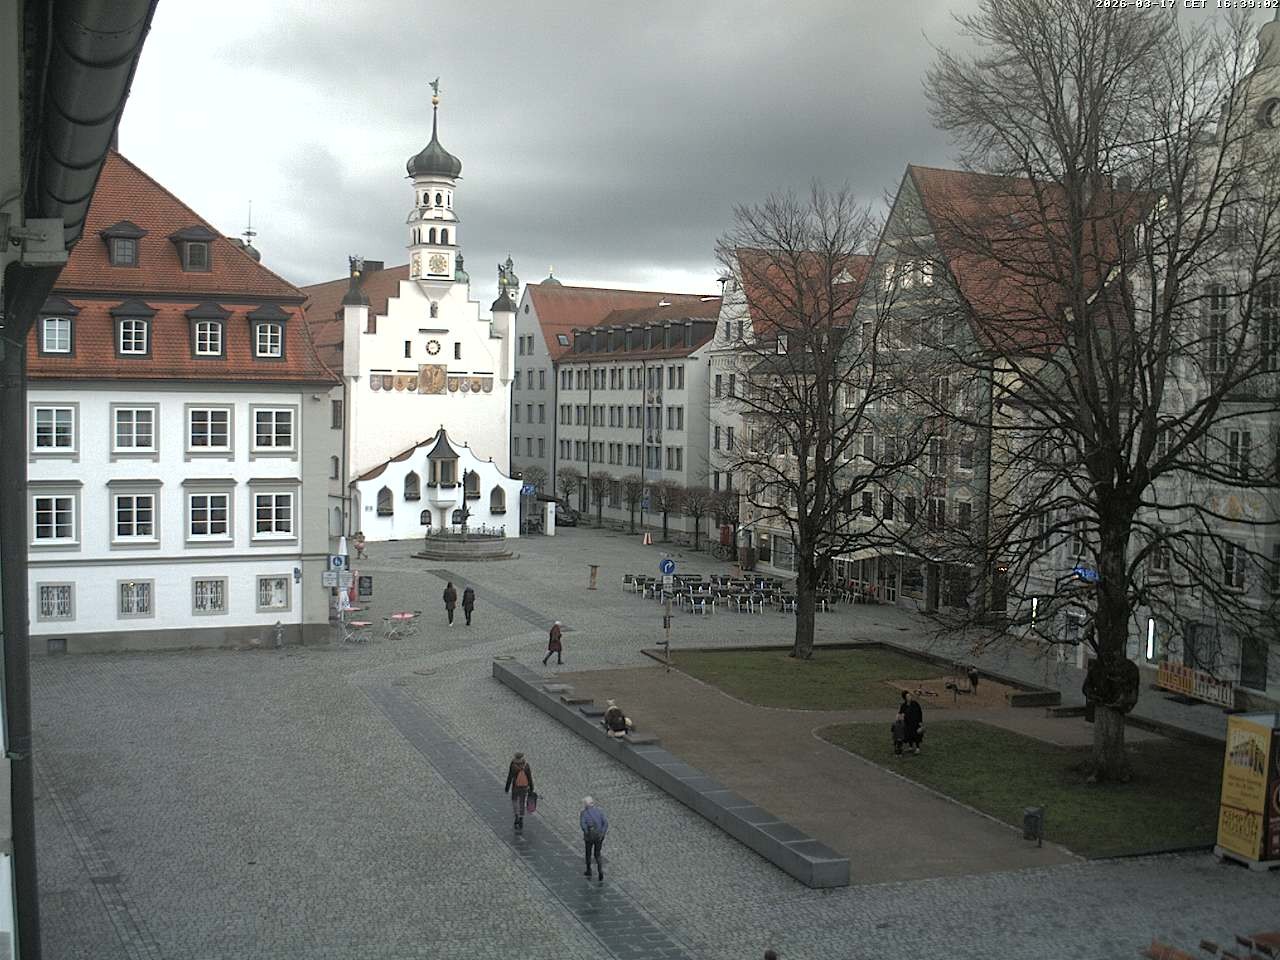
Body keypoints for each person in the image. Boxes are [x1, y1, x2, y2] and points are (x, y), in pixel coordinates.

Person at [504, 752, 534, 830]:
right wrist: (531, 787)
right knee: (522, 802)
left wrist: (507, 787)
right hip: (524, 787)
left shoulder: (513, 765)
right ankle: (521, 818)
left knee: (514, 801)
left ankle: (516, 816)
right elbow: (529, 777)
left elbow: (510, 776)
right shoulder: (526, 765)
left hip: (515, 786)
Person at [580, 796, 608, 881]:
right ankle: (600, 871)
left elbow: (583, 824)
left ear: (585, 804)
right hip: (599, 836)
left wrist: (586, 832)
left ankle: (589, 870)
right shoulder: (599, 811)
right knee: (597, 854)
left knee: (588, 853)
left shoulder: (584, 813)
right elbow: (605, 823)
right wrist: (602, 833)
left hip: (589, 837)